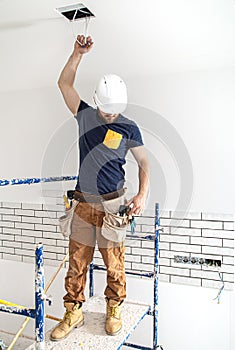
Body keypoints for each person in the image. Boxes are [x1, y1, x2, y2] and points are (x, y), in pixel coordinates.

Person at [50, 35, 150, 341]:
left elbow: (145, 163)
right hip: (82, 204)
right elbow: (64, 85)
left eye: (115, 112)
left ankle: (113, 308)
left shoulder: (129, 127)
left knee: (114, 262)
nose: (110, 116)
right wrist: (77, 54)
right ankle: (73, 312)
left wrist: (142, 194)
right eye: (106, 111)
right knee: (77, 262)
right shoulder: (84, 116)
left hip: (113, 204)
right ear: (97, 101)